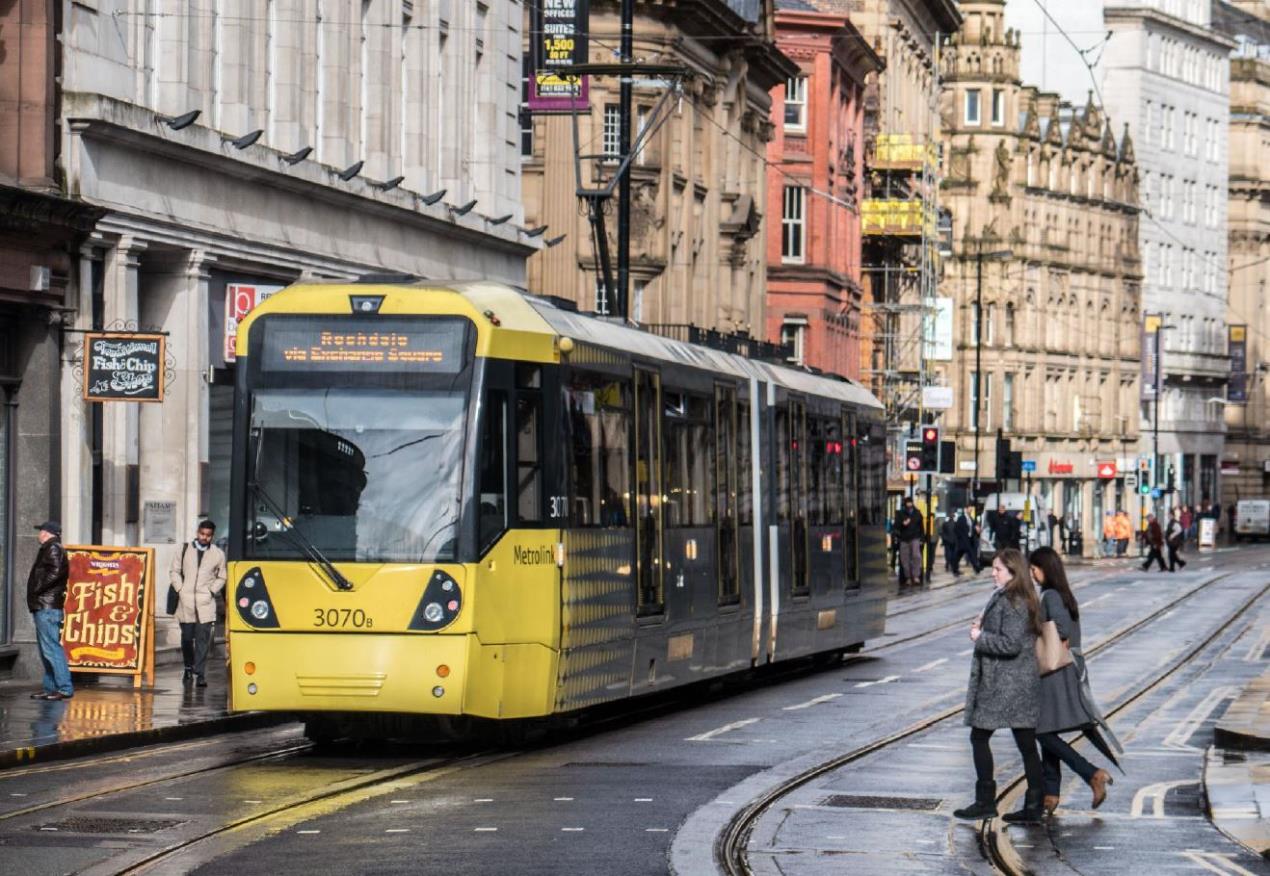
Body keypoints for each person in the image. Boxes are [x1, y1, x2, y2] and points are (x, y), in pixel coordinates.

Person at [954, 548, 1046, 823]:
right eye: (993, 568)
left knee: (982, 737)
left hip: (1008, 684)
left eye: (998, 569)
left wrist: (980, 637)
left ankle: (986, 801)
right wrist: (984, 626)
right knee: (1025, 743)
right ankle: (1033, 804)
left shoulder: (1014, 601)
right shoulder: (1008, 597)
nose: (992, 573)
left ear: (1013, 573)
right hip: (1010, 683)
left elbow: (1012, 644)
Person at [1028, 547, 1119, 815]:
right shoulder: (1063, 594)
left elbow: (1062, 631)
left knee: (1041, 731)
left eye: (1035, 568)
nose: (1032, 573)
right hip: (1066, 670)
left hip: (1057, 673)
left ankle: (1092, 774)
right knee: (1048, 730)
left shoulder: (1051, 595)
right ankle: (1051, 793)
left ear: (1046, 568)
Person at [170, 519, 227, 687]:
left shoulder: (218, 554)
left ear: (212, 536)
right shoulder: (184, 549)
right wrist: (180, 589)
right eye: (202, 534)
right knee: (187, 639)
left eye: (208, 535)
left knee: (203, 640)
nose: (204, 537)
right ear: (197, 533)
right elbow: (174, 571)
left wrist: (211, 591)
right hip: (186, 602)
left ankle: (200, 674)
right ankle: (188, 667)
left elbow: (222, 576)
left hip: (205, 603)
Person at [28, 521, 73, 701]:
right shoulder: (49, 548)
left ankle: (64, 687)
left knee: (51, 648)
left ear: (47, 533)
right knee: (45, 649)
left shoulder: (53, 548)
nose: (38, 534)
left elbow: (56, 573)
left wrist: (37, 589)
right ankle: (50, 687)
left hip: (47, 606)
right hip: (43, 605)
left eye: (40, 531)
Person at [895, 497, 924, 588]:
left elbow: (921, 527)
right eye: (907, 503)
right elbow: (896, 526)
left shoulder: (917, 513)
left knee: (916, 556)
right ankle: (908, 577)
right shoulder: (900, 514)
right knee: (905, 559)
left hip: (915, 537)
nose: (909, 505)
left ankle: (916, 576)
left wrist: (922, 538)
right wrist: (902, 524)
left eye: (910, 503)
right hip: (904, 539)